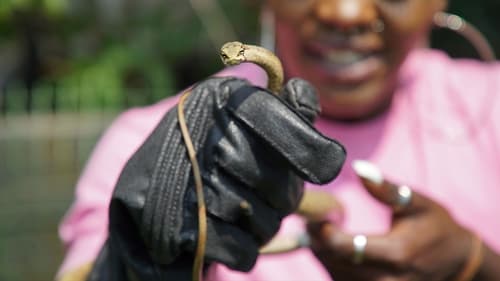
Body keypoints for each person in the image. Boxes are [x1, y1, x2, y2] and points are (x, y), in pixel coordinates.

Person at [56, 0, 500, 280]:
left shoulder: (489, 105)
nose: (347, 13)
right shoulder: (150, 137)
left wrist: (477, 267)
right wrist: (134, 262)